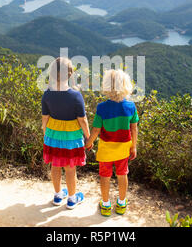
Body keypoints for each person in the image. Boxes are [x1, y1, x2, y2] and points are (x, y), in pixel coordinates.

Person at [85, 69, 139, 217]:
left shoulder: (102, 107)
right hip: (123, 148)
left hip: (106, 149)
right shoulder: (131, 106)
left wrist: (88, 143)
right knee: (122, 174)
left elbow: (96, 130)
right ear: (126, 85)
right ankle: (121, 204)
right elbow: (134, 129)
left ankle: (106, 205)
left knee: (105, 176)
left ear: (107, 86)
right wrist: (134, 146)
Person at [41, 57, 90, 209]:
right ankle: (71, 198)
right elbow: (82, 119)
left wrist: (45, 132)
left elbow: (45, 118)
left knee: (55, 166)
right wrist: (88, 136)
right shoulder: (75, 96)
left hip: (53, 135)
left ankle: (57, 196)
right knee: (70, 169)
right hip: (71, 136)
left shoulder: (47, 94)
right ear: (70, 74)